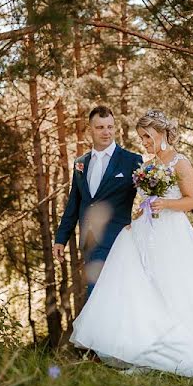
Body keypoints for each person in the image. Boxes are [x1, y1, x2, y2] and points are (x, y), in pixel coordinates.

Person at [68, 109, 193, 376]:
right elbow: (144, 201)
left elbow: (190, 201)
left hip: (171, 234)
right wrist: (135, 218)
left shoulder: (180, 162)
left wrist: (166, 203)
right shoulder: (148, 165)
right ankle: (148, 346)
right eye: (142, 138)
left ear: (161, 133)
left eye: (148, 136)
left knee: (175, 286)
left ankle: (189, 346)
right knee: (143, 288)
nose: (145, 142)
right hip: (144, 233)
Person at [54, 106, 144, 300]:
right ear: (90, 129)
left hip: (118, 240)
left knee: (106, 296)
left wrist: (139, 224)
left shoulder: (132, 161)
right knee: (99, 296)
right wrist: (61, 238)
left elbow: (148, 198)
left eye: (110, 127)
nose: (106, 132)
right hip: (89, 241)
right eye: (100, 127)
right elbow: (74, 204)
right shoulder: (81, 163)